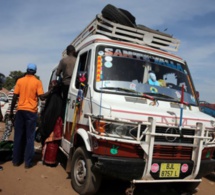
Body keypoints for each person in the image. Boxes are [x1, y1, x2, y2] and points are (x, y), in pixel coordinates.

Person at [10, 63, 51, 168]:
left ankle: (16, 161)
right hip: (31, 113)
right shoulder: (37, 82)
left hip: (20, 111)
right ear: (35, 72)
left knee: (18, 136)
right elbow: (42, 97)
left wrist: (11, 111)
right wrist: (51, 91)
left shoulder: (20, 81)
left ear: (27, 70)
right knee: (29, 137)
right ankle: (28, 163)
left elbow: (15, 97)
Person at [56, 45, 76, 118]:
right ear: (74, 52)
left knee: (64, 103)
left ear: (67, 52)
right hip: (75, 85)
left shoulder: (63, 61)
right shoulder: (77, 60)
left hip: (65, 84)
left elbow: (57, 73)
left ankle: (62, 119)